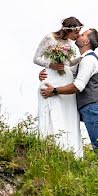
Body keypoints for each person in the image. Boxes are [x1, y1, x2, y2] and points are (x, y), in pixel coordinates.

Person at [40, 28, 98, 177]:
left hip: (94, 107)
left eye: (82, 34)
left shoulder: (89, 60)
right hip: (88, 108)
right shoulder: (82, 60)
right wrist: (46, 73)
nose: (78, 35)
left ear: (86, 41)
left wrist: (54, 90)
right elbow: (66, 72)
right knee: (95, 145)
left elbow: (78, 86)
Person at [33, 17, 84, 157]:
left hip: (65, 78)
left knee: (68, 113)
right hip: (52, 77)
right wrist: (51, 65)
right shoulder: (49, 38)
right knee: (52, 109)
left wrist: (81, 58)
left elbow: (68, 63)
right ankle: (49, 146)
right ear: (69, 30)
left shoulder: (70, 43)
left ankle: (68, 148)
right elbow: (36, 58)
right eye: (77, 32)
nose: (78, 35)